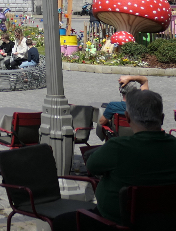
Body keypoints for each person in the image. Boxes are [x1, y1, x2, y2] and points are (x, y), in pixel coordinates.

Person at [53, 89, 176, 230]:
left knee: (61, 222)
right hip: (167, 222)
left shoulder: (118, 148)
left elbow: (91, 167)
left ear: (128, 118)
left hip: (116, 222)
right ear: (162, 118)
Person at [96, 75, 149, 140]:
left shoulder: (113, 106)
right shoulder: (145, 102)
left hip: (120, 140)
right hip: (140, 139)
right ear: (135, 90)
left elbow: (101, 122)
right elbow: (145, 80)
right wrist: (130, 77)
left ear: (120, 89)